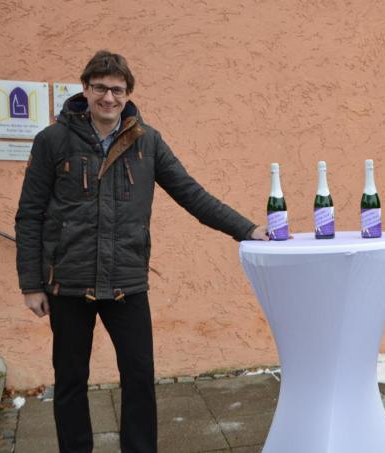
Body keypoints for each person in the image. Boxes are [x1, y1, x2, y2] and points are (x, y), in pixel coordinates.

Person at [14, 50, 268, 453]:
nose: (108, 97)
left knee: (139, 377)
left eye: (117, 90)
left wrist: (247, 229)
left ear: (128, 93)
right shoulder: (53, 141)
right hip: (69, 283)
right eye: (100, 88)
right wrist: (31, 284)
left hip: (126, 281)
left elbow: (191, 194)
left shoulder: (147, 142)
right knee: (70, 381)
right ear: (85, 89)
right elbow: (29, 215)